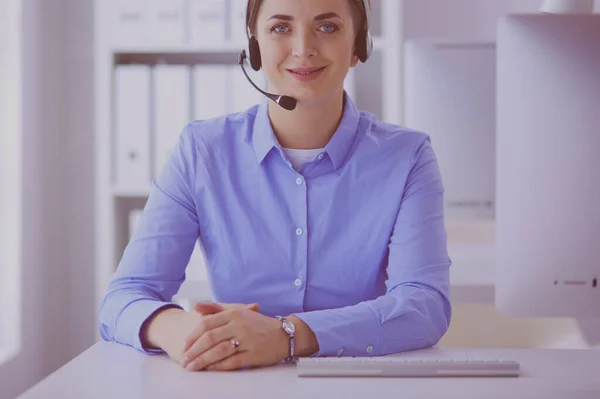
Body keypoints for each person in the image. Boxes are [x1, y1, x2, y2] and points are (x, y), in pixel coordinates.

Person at [98, 0, 452, 372]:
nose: (303, 48)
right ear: (255, 47)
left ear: (359, 46)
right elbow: (123, 298)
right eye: (280, 28)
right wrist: (187, 330)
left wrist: (288, 335)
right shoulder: (202, 151)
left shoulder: (407, 156)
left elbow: (424, 305)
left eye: (327, 27)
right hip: (235, 383)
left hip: (358, 384)